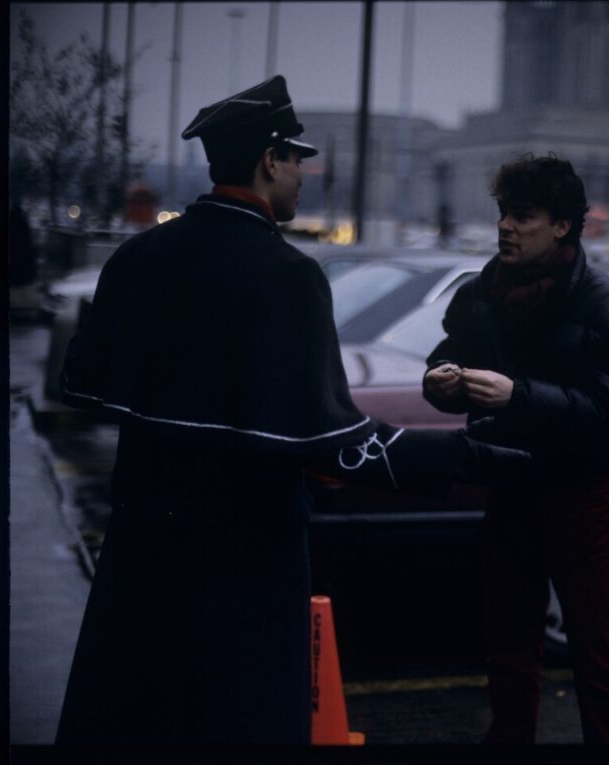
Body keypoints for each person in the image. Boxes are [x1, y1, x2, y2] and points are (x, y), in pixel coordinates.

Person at [55, 75, 528, 745]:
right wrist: (465, 455)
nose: (306, 172)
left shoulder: (137, 258)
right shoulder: (287, 276)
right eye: (298, 158)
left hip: (142, 550)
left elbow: (83, 384)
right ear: (269, 159)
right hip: (245, 563)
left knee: (136, 715)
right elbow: (335, 442)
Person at [422, 155, 609, 744]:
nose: (506, 228)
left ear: (562, 226)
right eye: (503, 213)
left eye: (523, 216)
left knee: (596, 650)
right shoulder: (483, 292)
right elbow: (447, 357)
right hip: (509, 489)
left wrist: (517, 397)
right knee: (508, 646)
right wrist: (440, 381)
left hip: (581, 496)